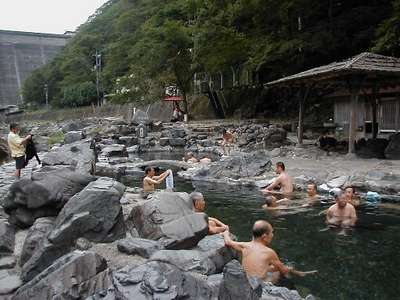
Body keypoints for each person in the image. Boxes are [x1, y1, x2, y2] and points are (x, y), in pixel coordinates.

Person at [223, 220, 316, 283]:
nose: (272, 235)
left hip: (245, 282)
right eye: (272, 232)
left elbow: (228, 242)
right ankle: (295, 280)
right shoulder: (269, 252)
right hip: (259, 284)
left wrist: (226, 232)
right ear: (264, 236)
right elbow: (283, 270)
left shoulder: (244, 246)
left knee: (270, 267)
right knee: (279, 271)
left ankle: (297, 273)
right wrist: (291, 270)